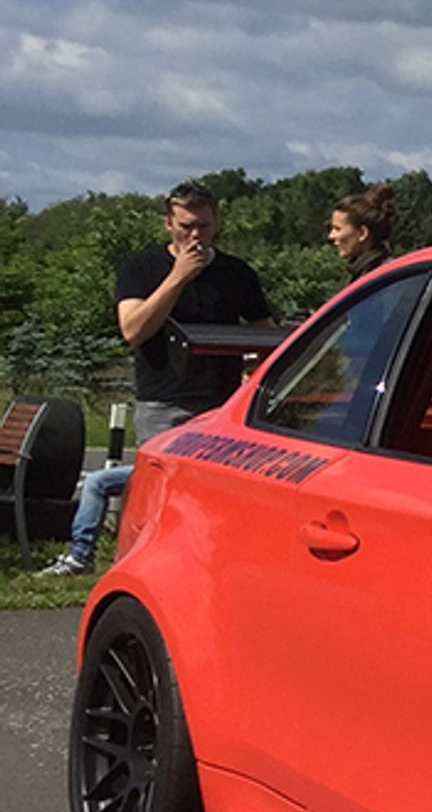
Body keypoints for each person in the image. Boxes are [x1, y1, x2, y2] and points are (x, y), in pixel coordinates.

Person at [40, 182, 275, 576]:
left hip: (221, 402)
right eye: (185, 226)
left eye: (203, 225)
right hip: (163, 399)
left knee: (212, 490)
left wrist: (258, 373)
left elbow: (264, 334)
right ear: (168, 224)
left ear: (215, 222)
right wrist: (178, 278)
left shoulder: (236, 273)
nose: (195, 235)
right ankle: (153, 564)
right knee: (160, 486)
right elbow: (133, 329)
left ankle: (207, 563)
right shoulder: (141, 268)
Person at [327, 182, 396, 278]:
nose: (331, 236)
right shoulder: (359, 272)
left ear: (362, 233)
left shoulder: (383, 276)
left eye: (337, 229)